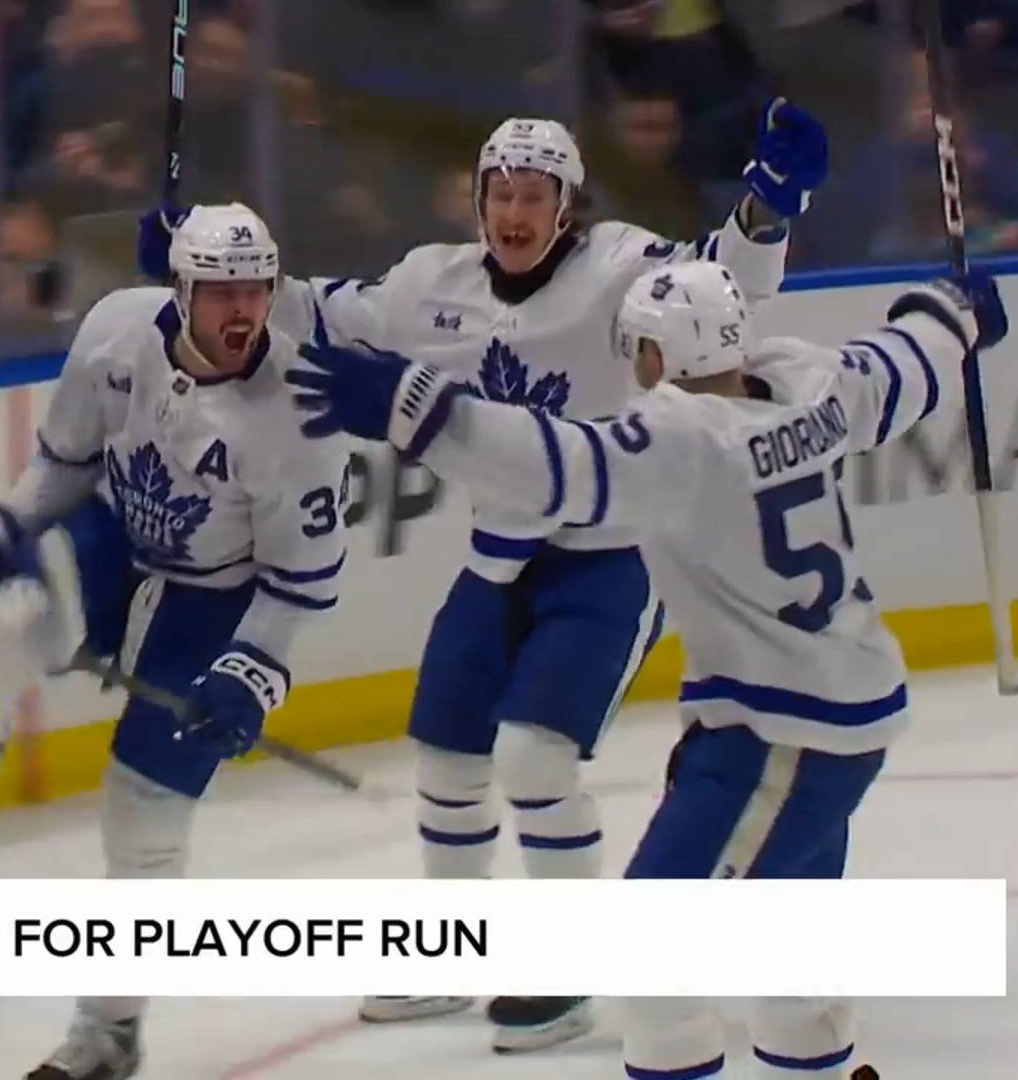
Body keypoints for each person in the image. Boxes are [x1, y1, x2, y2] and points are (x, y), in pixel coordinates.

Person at [138, 100, 830, 1052]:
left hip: (609, 559)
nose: (513, 212)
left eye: (534, 195)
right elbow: (302, 307)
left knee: (535, 762)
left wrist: (768, 209)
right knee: (450, 764)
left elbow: (724, 284)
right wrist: (196, 274)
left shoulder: (621, 267)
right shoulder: (430, 285)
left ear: (568, 208)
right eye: (500, 192)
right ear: (477, 200)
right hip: (497, 559)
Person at [283, 259, 1010, 1080]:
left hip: (783, 731)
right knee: (792, 971)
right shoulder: (811, 383)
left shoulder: (682, 438)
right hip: (820, 707)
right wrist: (951, 313)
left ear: (657, 357)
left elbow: (555, 465)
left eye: (635, 353)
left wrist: (418, 410)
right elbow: (898, 365)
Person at [0, 203, 351, 1080]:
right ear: (179, 289)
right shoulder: (115, 331)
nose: (240, 310)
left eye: (256, 289)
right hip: (115, 543)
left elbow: (299, 586)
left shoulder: (299, 415)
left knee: (143, 819)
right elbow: (65, 467)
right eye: (219, 289)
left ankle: (107, 1036)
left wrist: (249, 678)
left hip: (216, 603)